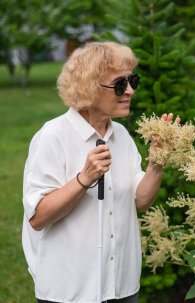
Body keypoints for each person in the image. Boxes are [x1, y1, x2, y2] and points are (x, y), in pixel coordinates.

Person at [22, 41, 179, 303]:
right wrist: (84, 179)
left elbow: (140, 201)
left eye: (133, 81)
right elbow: (38, 218)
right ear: (90, 89)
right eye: (120, 84)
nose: (130, 91)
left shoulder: (122, 136)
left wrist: (157, 163)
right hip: (70, 290)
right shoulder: (53, 136)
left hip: (121, 286)